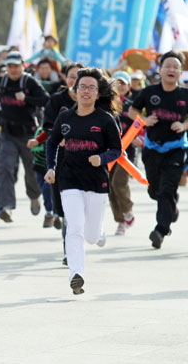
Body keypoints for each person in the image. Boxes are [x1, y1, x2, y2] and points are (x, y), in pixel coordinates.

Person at [45, 67, 122, 295]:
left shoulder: (105, 119)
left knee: (90, 235)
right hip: (68, 180)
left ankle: (99, 233)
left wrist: (102, 158)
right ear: (75, 90)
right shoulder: (65, 117)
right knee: (74, 227)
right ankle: (76, 274)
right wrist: (51, 167)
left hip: (97, 182)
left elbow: (117, 149)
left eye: (91, 88)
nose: (86, 91)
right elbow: (52, 142)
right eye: (82, 87)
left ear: (98, 94)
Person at [129, 51, 188, 249]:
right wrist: (144, 120)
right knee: (155, 190)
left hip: (176, 149)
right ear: (160, 69)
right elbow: (132, 110)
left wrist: (184, 125)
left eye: (175, 67)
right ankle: (171, 210)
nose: (171, 69)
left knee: (166, 189)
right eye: (167, 66)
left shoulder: (185, 94)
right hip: (152, 148)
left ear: (181, 72)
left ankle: (160, 230)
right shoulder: (148, 92)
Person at [29, 62, 84, 264]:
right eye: (72, 76)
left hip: (88, 162)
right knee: (67, 210)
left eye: (80, 77)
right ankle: (70, 252)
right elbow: (49, 126)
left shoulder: (95, 101)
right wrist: (52, 137)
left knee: (82, 211)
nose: (76, 81)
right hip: (62, 161)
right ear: (65, 78)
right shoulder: (56, 101)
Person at [0, 51, 49, 222]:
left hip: (29, 134)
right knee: (5, 167)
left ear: (22, 66)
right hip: (7, 132)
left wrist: (26, 98)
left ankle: (34, 197)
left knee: (31, 169)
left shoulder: (29, 82)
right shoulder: (1, 81)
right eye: (9, 66)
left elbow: (45, 99)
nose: (12, 70)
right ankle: (6, 207)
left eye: (16, 66)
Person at [109, 71, 137, 235]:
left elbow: (142, 124)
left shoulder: (134, 104)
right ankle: (120, 221)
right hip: (109, 151)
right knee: (109, 187)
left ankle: (127, 209)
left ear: (128, 86)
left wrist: (139, 138)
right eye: (116, 84)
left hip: (127, 152)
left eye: (123, 84)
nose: (120, 87)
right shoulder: (106, 104)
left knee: (118, 182)